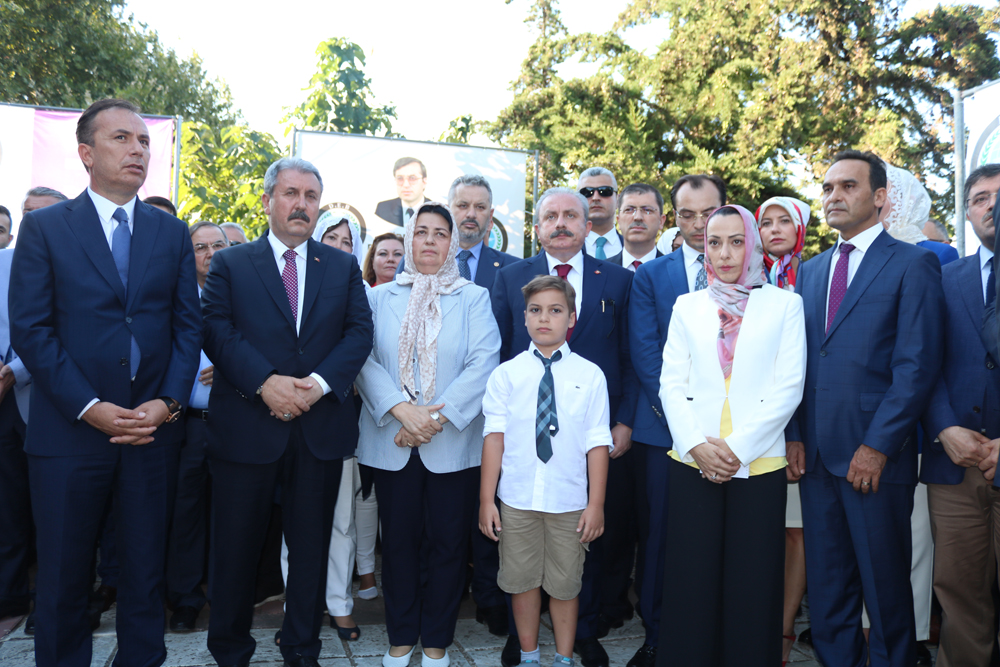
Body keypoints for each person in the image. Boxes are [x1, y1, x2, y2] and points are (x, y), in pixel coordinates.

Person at [9, 98, 202, 667]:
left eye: (143, 141)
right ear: (86, 153)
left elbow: (187, 328)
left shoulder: (171, 232)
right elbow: (31, 330)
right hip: (68, 435)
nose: (138, 149)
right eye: (122, 138)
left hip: (150, 432)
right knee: (64, 577)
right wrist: (88, 405)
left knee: (145, 574)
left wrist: (168, 403)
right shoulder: (46, 228)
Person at [201, 157, 373, 667]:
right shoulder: (232, 263)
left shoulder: (340, 266)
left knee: (311, 549)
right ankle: (230, 650)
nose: (301, 205)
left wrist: (316, 387)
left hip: (318, 430)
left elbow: (359, 333)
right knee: (235, 549)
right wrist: (265, 384)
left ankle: (301, 646)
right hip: (246, 428)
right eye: (291, 193)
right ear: (267, 200)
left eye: (311, 196)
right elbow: (215, 329)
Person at [787, 150, 945, 667]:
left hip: (875, 459)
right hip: (816, 459)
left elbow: (917, 366)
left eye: (848, 186)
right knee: (828, 590)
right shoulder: (811, 272)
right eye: (828, 187)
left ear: (879, 197)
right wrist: (794, 435)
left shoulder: (913, 262)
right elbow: (798, 363)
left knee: (885, 589)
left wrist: (877, 446)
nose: (834, 196)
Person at [492, 187, 635, 667]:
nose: (560, 223)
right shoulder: (509, 277)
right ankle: (524, 641)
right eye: (550, 215)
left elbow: (630, 356)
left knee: (583, 540)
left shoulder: (617, 280)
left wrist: (625, 419)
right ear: (537, 228)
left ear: (588, 224)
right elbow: (499, 351)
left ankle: (582, 635)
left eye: (570, 215)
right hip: (525, 446)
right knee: (523, 555)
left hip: (592, 433)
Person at [658, 204, 805, 666]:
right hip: (692, 462)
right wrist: (697, 446)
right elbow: (670, 384)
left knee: (752, 585)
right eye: (715, 242)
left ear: (753, 245)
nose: (724, 253)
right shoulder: (687, 306)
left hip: (759, 464)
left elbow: (789, 388)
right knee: (691, 582)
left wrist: (736, 449)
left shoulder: (785, 304)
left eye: (736, 241)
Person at [355, 201, 500, 667]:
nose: (431, 241)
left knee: (448, 544)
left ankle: (436, 638)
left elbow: (483, 363)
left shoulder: (473, 297)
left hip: (452, 443)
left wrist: (431, 422)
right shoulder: (378, 297)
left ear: (452, 242)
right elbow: (362, 358)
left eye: (441, 233)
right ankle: (401, 636)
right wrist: (402, 412)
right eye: (422, 232)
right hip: (390, 439)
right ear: (408, 240)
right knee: (397, 544)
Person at [480, 275, 612, 667]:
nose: (544, 318)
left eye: (555, 310)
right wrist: (487, 500)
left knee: (566, 584)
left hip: (569, 502)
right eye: (535, 310)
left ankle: (563, 657)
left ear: (571, 318)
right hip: (517, 499)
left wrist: (596, 504)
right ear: (524, 317)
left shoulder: (590, 375)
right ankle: (529, 655)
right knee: (520, 581)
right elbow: (494, 439)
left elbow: (597, 443)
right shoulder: (506, 374)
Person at [626, 173, 726, 667]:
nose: (698, 223)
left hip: (731, 435)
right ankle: (658, 636)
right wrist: (686, 425)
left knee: (721, 539)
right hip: (665, 430)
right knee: (662, 539)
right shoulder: (651, 276)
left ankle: (715, 633)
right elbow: (646, 356)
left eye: (708, 213)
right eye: (687, 214)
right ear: (674, 218)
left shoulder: (751, 274)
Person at [275, 212, 370, 641]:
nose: (338, 246)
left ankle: (339, 604)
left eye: (347, 241)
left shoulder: (356, 287)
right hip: (284, 413)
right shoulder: (288, 276)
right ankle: (295, 610)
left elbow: (358, 343)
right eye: (331, 237)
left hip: (334, 414)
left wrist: (319, 385)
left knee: (341, 521)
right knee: (294, 526)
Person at [920, 162, 1000, 666]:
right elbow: (919, 361)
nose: (991, 205)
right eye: (980, 198)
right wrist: (944, 426)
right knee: (960, 593)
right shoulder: (943, 278)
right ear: (967, 213)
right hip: (954, 465)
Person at [878, 162, 955, 664]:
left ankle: (913, 639)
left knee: (915, 539)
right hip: (864, 421)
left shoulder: (936, 254)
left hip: (921, 423)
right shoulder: (845, 257)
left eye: (888, 193)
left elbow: (938, 346)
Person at [753, 195, 810, 663]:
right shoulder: (744, 280)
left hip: (803, 425)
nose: (774, 229)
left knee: (796, 533)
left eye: (784, 221)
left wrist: (797, 434)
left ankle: (785, 628)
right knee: (759, 532)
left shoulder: (816, 277)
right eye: (765, 222)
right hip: (751, 428)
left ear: (801, 228)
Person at [165, 222, 228, 632]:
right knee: (185, 512)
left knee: (231, 515)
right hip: (185, 425)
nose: (210, 253)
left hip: (233, 423)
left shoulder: (244, 295)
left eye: (217, 245)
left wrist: (230, 369)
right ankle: (186, 599)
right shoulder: (175, 298)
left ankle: (226, 597)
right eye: (200, 247)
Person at [0, 245, 32, 622]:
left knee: (52, 505)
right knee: (6, 506)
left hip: (40, 395)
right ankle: (10, 595)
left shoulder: (22, 261)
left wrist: (14, 371)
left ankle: (56, 599)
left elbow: (60, 323)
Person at [605, 184, 665, 270]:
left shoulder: (676, 272)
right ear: (618, 220)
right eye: (629, 210)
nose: (638, 217)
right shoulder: (602, 272)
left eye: (647, 210)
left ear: (661, 221)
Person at [578, 168, 622, 259]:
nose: (595, 198)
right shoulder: (562, 249)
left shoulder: (637, 248)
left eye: (605, 191)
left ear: (618, 200)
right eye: (587, 192)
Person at [375, 157, 429, 227]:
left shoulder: (438, 211)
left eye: (412, 178)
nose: (405, 185)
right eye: (400, 178)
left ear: (424, 182)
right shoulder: (383, 209)